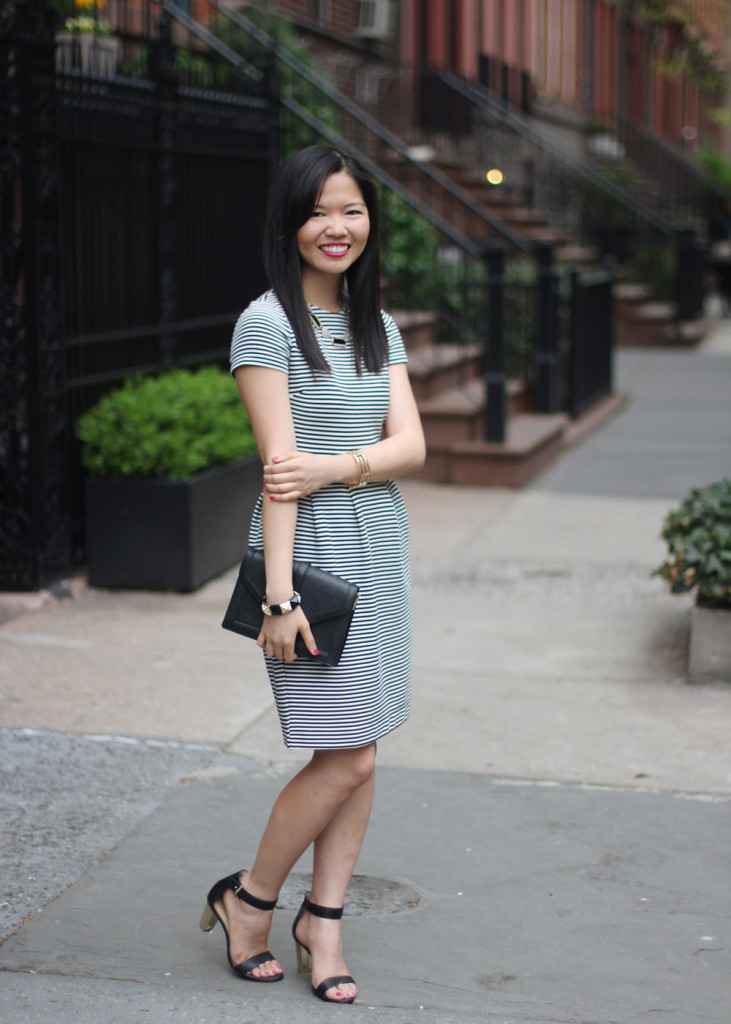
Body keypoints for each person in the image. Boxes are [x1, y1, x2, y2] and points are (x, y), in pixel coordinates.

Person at [199, 145, 426, 1004]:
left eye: (353, 210)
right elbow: (278, 475)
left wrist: (339, 467)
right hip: (314, 561)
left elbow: (414, 446)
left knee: (363, 747)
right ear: (289, 223)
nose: (337, 228)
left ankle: (320, 921)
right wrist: (281, 598)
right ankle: (249, 901)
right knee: (348, 756)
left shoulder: (378, 324)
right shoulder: (266, 325)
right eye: (319, 211)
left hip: (380, 548)